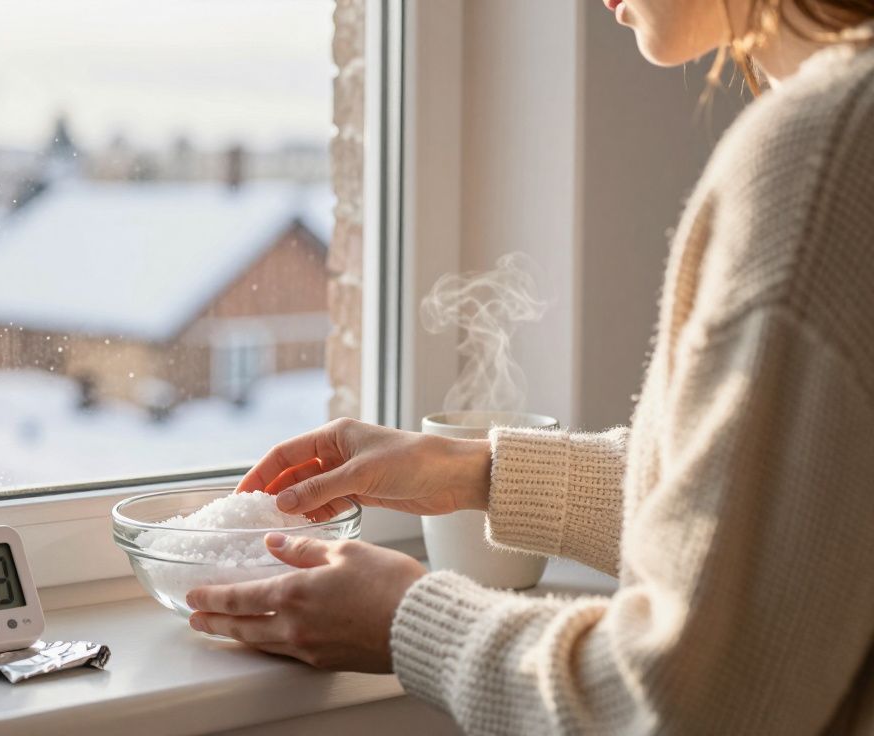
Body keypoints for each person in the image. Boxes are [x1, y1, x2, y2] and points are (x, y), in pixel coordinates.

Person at [184, 1, 874, 732]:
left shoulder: (826, 157)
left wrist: (408, 621)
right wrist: (472, 471)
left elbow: (683, 705)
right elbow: (784, 514)